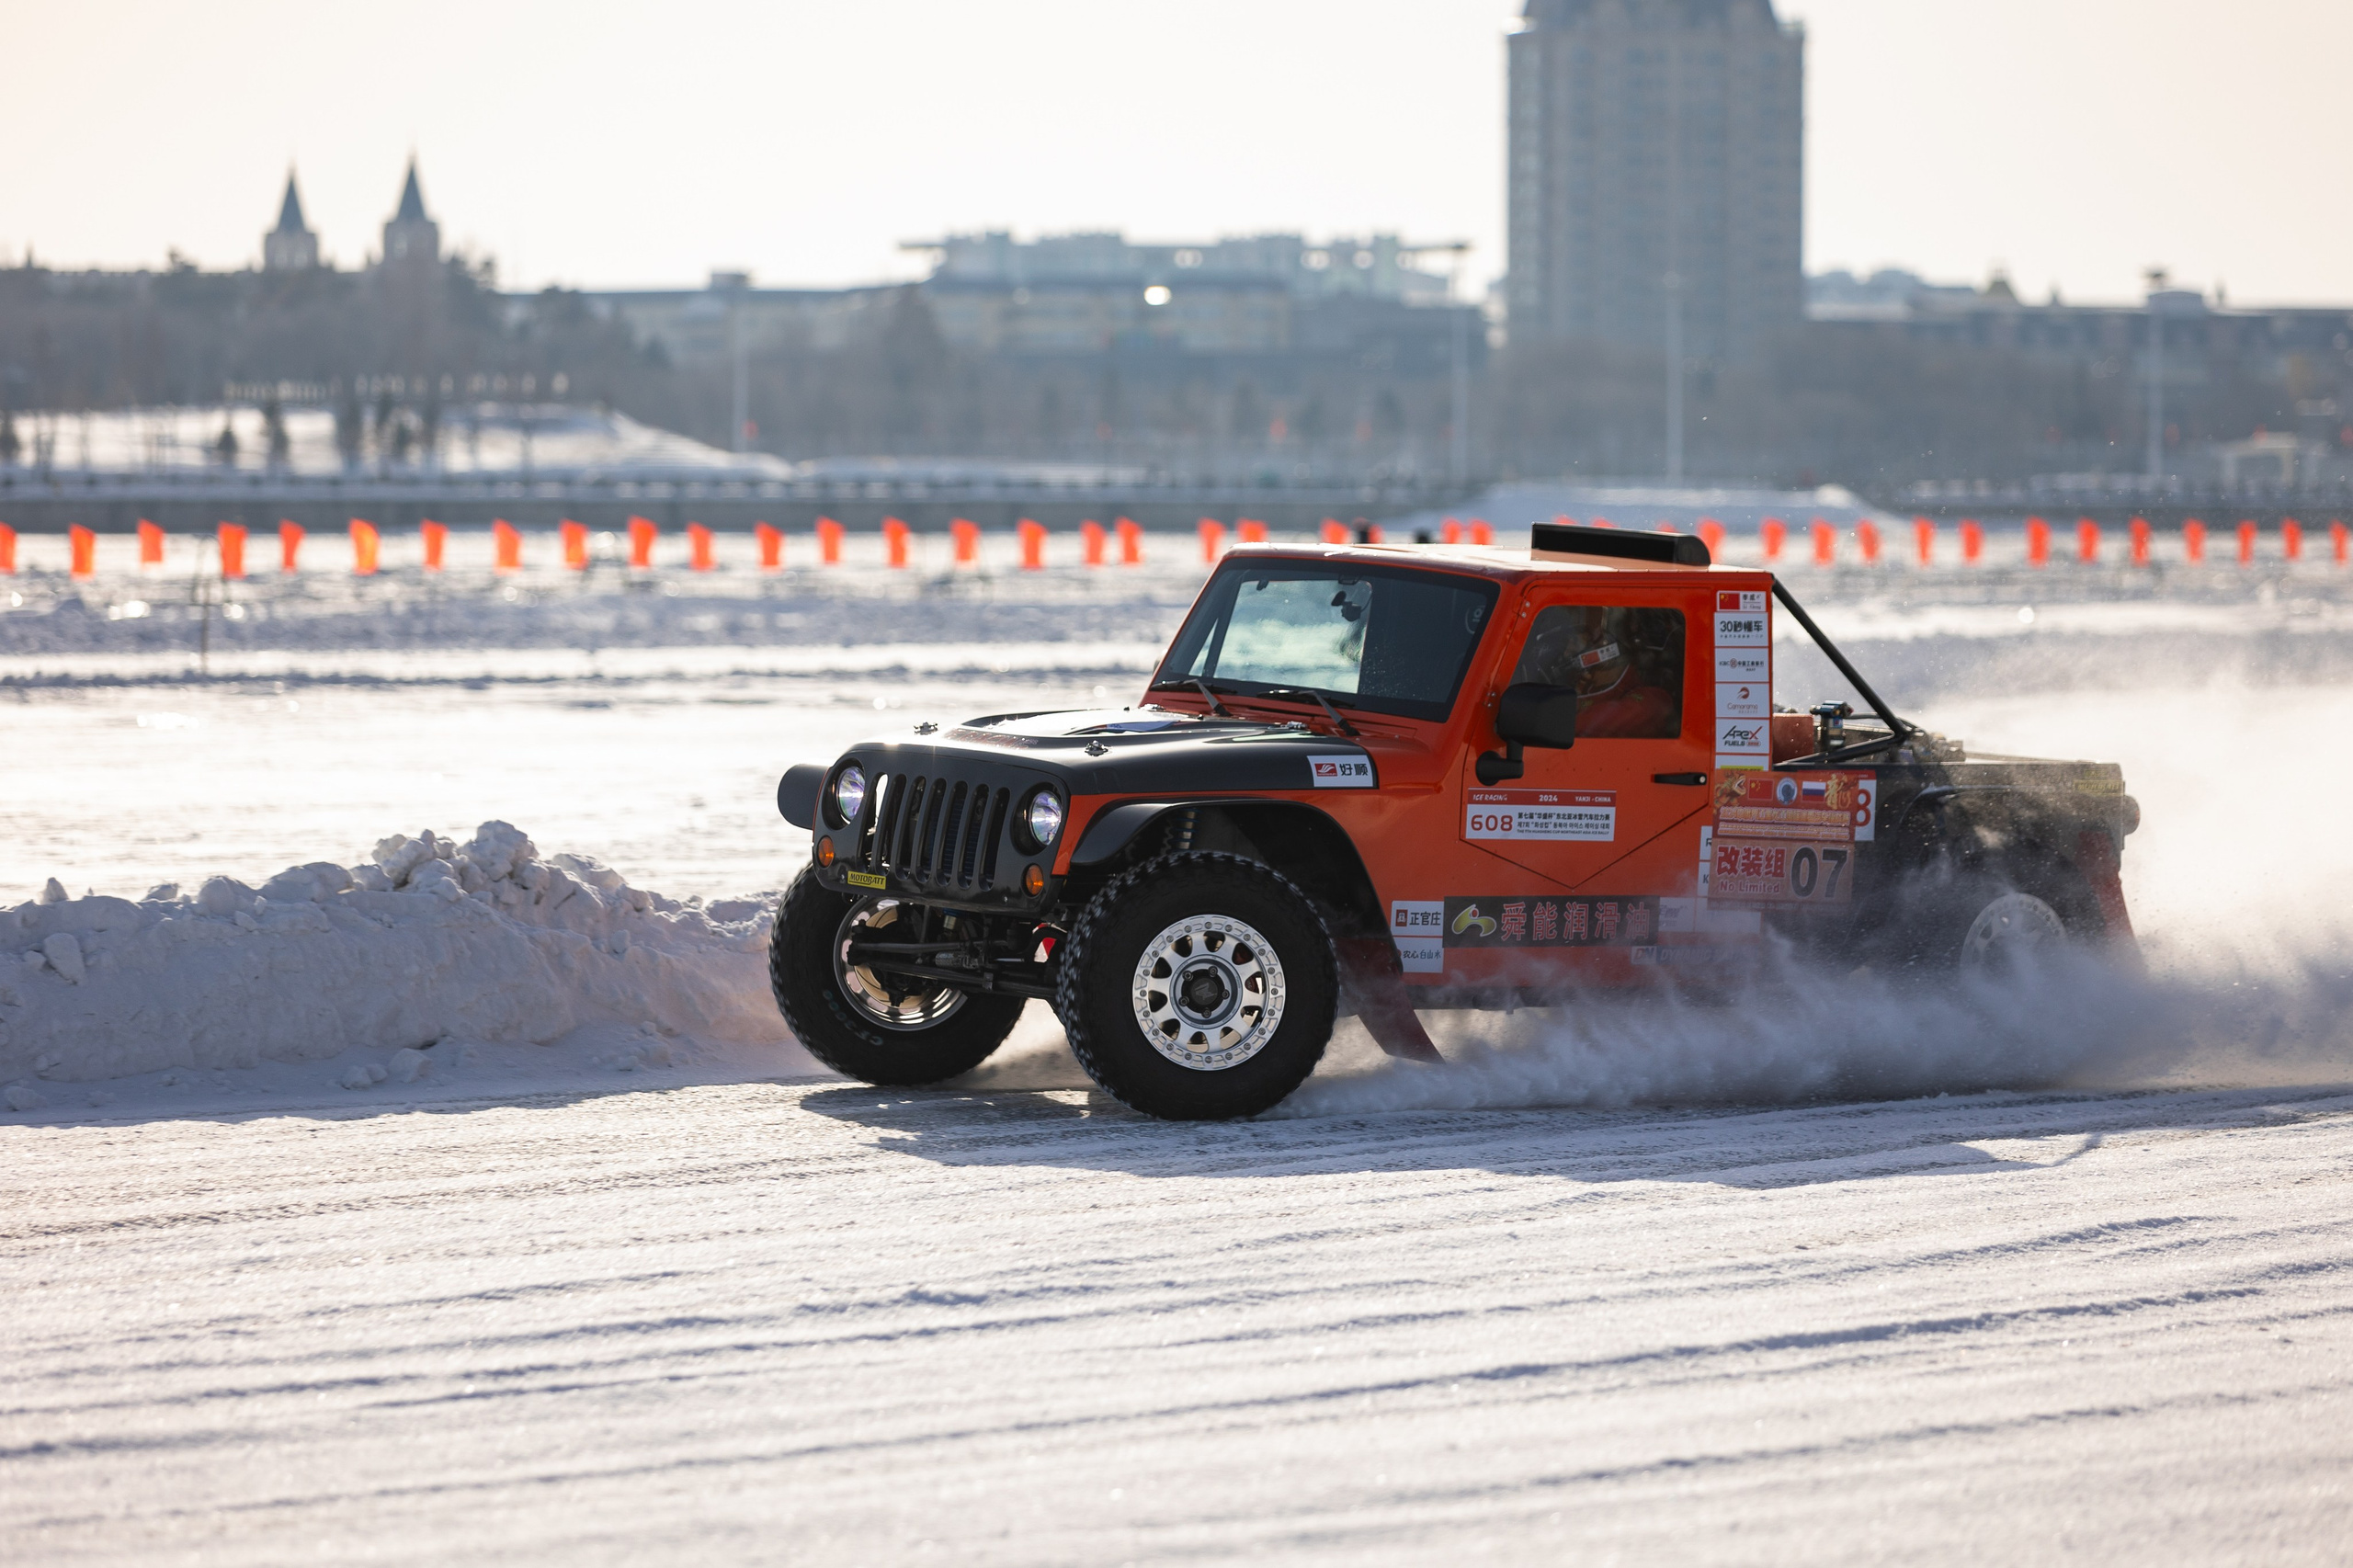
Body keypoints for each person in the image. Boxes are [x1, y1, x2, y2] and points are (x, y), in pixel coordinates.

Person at [1513, 606, 1678, 737]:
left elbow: (1590, 724)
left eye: (1577, 640)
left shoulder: (1651, 701)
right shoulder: (1582, 687)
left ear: (1607, 649)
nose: (1567, 651)